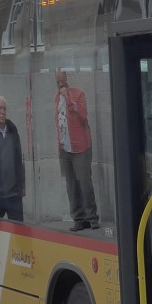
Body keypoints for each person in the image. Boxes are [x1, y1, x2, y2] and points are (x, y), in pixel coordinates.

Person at [54, 69, 98, 230]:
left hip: (81, 145)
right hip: (64, 146)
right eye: (57, 81)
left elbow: (83, 114)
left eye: (62, 80)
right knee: (71, 184)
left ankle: (92, 218)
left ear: (67, 78)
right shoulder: (56, 97)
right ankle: (78, 218)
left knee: (84, 182)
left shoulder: (78, 94)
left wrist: (68, 98)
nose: (60, 84)